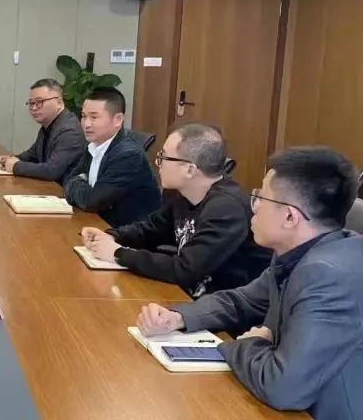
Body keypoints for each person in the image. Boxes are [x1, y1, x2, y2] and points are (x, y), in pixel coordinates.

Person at [136, 147, 363, 420]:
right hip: (313, 413)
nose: (253, 206)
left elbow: (283, 386)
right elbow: (243, 300)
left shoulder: (327, 275)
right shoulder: (310, 252)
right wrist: (181, 317)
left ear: (290, 217)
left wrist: (248, 343)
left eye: (261, 197)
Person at [81, 123, 270, 298]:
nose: (158, 163)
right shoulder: (181, 194)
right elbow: (151, 229)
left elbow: (186, 269)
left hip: (222, 310)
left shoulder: (226, 209)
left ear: (190, 170)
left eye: (164, 157)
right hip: (186, 298)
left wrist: (118, 253)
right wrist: (112, 236)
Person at [63, 87, 160, 226]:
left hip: (128, 232)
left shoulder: (128, 155)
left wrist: (78, 182)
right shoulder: (95, 144)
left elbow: (92, 201)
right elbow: (68, 179)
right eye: (83, 116)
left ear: (118, 120)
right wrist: (78, 182)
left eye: (94, 117)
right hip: (97, 222)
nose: (86, 124)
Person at [0, 79, 85, 181]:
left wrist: (15, 166)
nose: (34, 108)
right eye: (31, 103)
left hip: (63, 189)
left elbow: (51, 170)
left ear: (59, 103)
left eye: (39, 102)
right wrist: (11, 159)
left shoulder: (70, 131)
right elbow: (33, 155)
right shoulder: (48, 124)